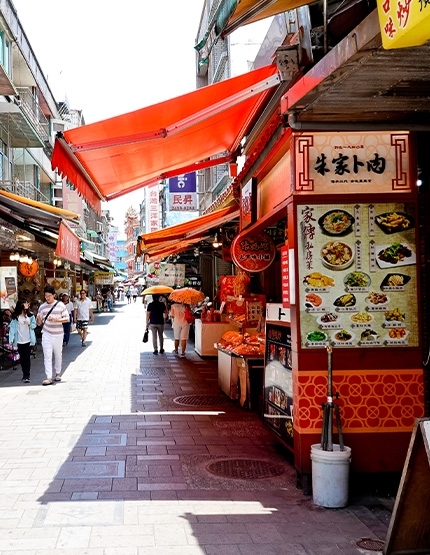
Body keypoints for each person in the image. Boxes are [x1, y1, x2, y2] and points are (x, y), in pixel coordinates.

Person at [36, 285, 70, 385]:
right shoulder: (42, 307)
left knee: (58, 354)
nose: (47, 298)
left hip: (58, 334)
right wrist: (38, 319)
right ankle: (49, 377)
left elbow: (66, 318)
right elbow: (39, 323)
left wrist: (56, 320)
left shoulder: (60, 305)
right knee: (47, 355)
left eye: (49, 296)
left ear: (54, 295)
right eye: (46, 296)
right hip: (46, 333)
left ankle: (58, 373)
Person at [9, 300, 37, 383]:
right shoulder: (15, 317)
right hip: (19, 341)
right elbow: (12, 329)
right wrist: (11, 339)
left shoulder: (30, 316)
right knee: (22, 358)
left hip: (28, 340)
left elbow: (34, 326)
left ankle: (27, 375)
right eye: (25, 303)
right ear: (21, 305)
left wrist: (29, 324)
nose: (27, 304)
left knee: (27, 358)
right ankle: (24, 374)